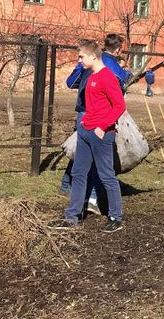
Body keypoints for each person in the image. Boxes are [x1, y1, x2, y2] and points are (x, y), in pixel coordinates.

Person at [55, 41, 126, 232]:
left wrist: (102, 126)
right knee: (78, 173)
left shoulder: (107, 77)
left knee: (106, 175)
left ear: (93, 56)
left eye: (81, 57)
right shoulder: (91, 76)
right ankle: (72, 217)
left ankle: (115, 217)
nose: (79, 60)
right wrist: (85, 124)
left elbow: (120, 106)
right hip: (85, 131)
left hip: (102, 134)